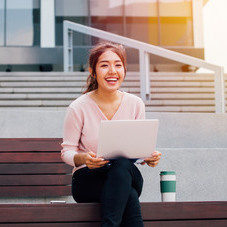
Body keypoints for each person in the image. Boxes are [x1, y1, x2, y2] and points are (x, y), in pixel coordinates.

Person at [61, 41, 161, 227]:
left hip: (125, 174)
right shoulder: (78, 107)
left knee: (122, 166)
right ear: (92, 71)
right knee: (128, 194)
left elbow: (136, 152)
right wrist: (84, 159)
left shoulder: (135, 104)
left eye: (118, 64)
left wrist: (148, 156)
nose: (112, 71)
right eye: (104, 65)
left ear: (124, 70)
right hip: (88, 180)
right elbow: (66, 152)